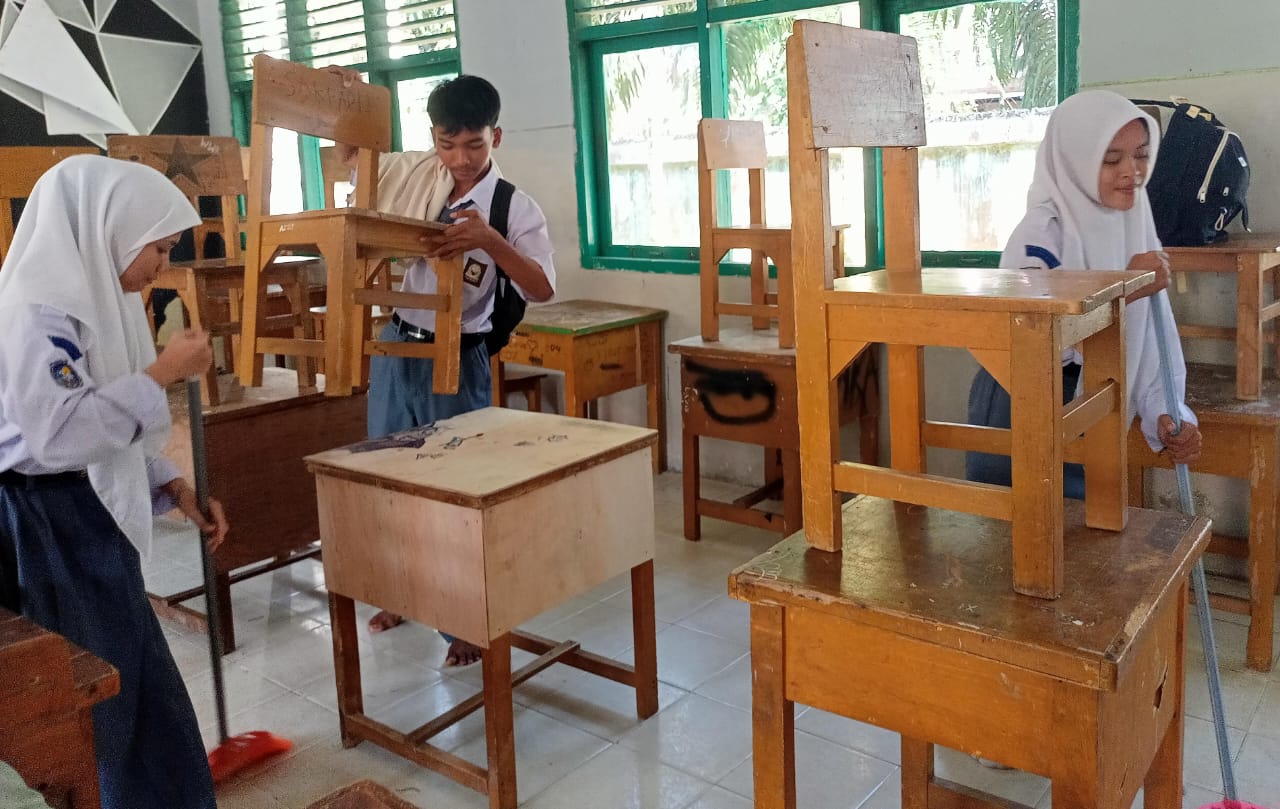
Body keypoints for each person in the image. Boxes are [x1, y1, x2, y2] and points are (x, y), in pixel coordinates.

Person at [0, 155, 229, 808]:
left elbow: (111, 427)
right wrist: (161, 373)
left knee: (138, 681)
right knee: (97, 695)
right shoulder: (36, 313)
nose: (161, 263)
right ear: (110, 232)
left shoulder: (102, 302)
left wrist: (174, 485)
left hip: (82, 506)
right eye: (155, 246)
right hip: (47, 521)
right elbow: (61, 436)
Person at [331, 72, 556, 664]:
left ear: (496, 137)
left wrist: (490, 240)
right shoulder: (416, 178)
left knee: (457, 493)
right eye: (446, 143)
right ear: (433, 139)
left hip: (458, 356)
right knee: (389, 478)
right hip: (397, 348)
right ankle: (398, 593)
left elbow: (543, 287)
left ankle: (461, 627)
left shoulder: (513, 206)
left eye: (474, 145)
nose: (459, 159)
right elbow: (351, 158)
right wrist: (346, 99)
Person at [966, 90, 1202, 502]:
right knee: (1013, 530)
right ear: (1075, 161)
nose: (1132, 171)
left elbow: (1151, 336)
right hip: (1020, 396)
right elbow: (1026, 333)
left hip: (1093, 397)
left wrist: (1168, 411)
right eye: (1111, 159)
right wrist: (1124, 288)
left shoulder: (1134, 223)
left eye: (1142, 154)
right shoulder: (1040, 235)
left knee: (1078, 537)